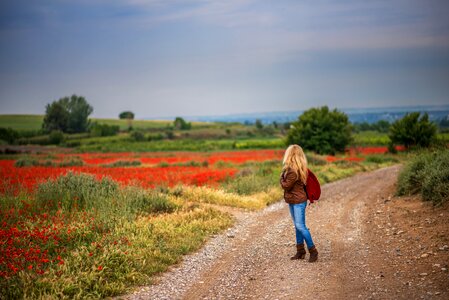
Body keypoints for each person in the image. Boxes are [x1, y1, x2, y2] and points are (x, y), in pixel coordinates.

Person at [280, 144, 318, 262]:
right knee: (298, 226)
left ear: (290, 155)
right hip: (296, 200)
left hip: (297, 202)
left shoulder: (292, 171)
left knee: (300, 226)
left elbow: (286, 185)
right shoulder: (301, 168)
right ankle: (300, 251)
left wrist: (281, 178)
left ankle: (313, 251)